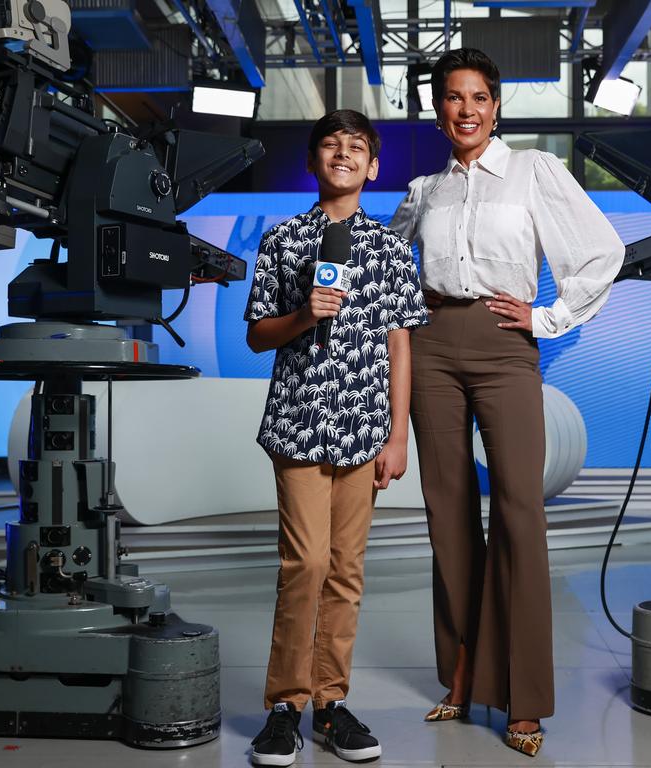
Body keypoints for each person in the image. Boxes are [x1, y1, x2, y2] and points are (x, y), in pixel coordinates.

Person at [390, 48, 625, 757]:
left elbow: (600, 252)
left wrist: (547, 317)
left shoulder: (533, 172)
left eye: (478, 98)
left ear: (496, 108)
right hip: (432, 346)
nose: (466, 109)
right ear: (438, 111)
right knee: (448, 510)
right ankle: (462, 672)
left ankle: (524, 695)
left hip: (502, 343)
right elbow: (386, 268)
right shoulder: (423, 190)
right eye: (452, 98)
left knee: (520, 510)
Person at [244, 109, 428, 766]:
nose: (343, 153)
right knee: (307, 565)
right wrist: (302, 315)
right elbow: (257, 333)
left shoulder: (390, 249)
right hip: (297, 422)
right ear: (313, 161)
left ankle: (330, 702)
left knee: (346, 571)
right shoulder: (284, 241)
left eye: (356, 146)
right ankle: (285, 705)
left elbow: (399, 343)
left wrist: (396, 433)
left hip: (364, 428)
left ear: (373, 166)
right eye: (331, 144)